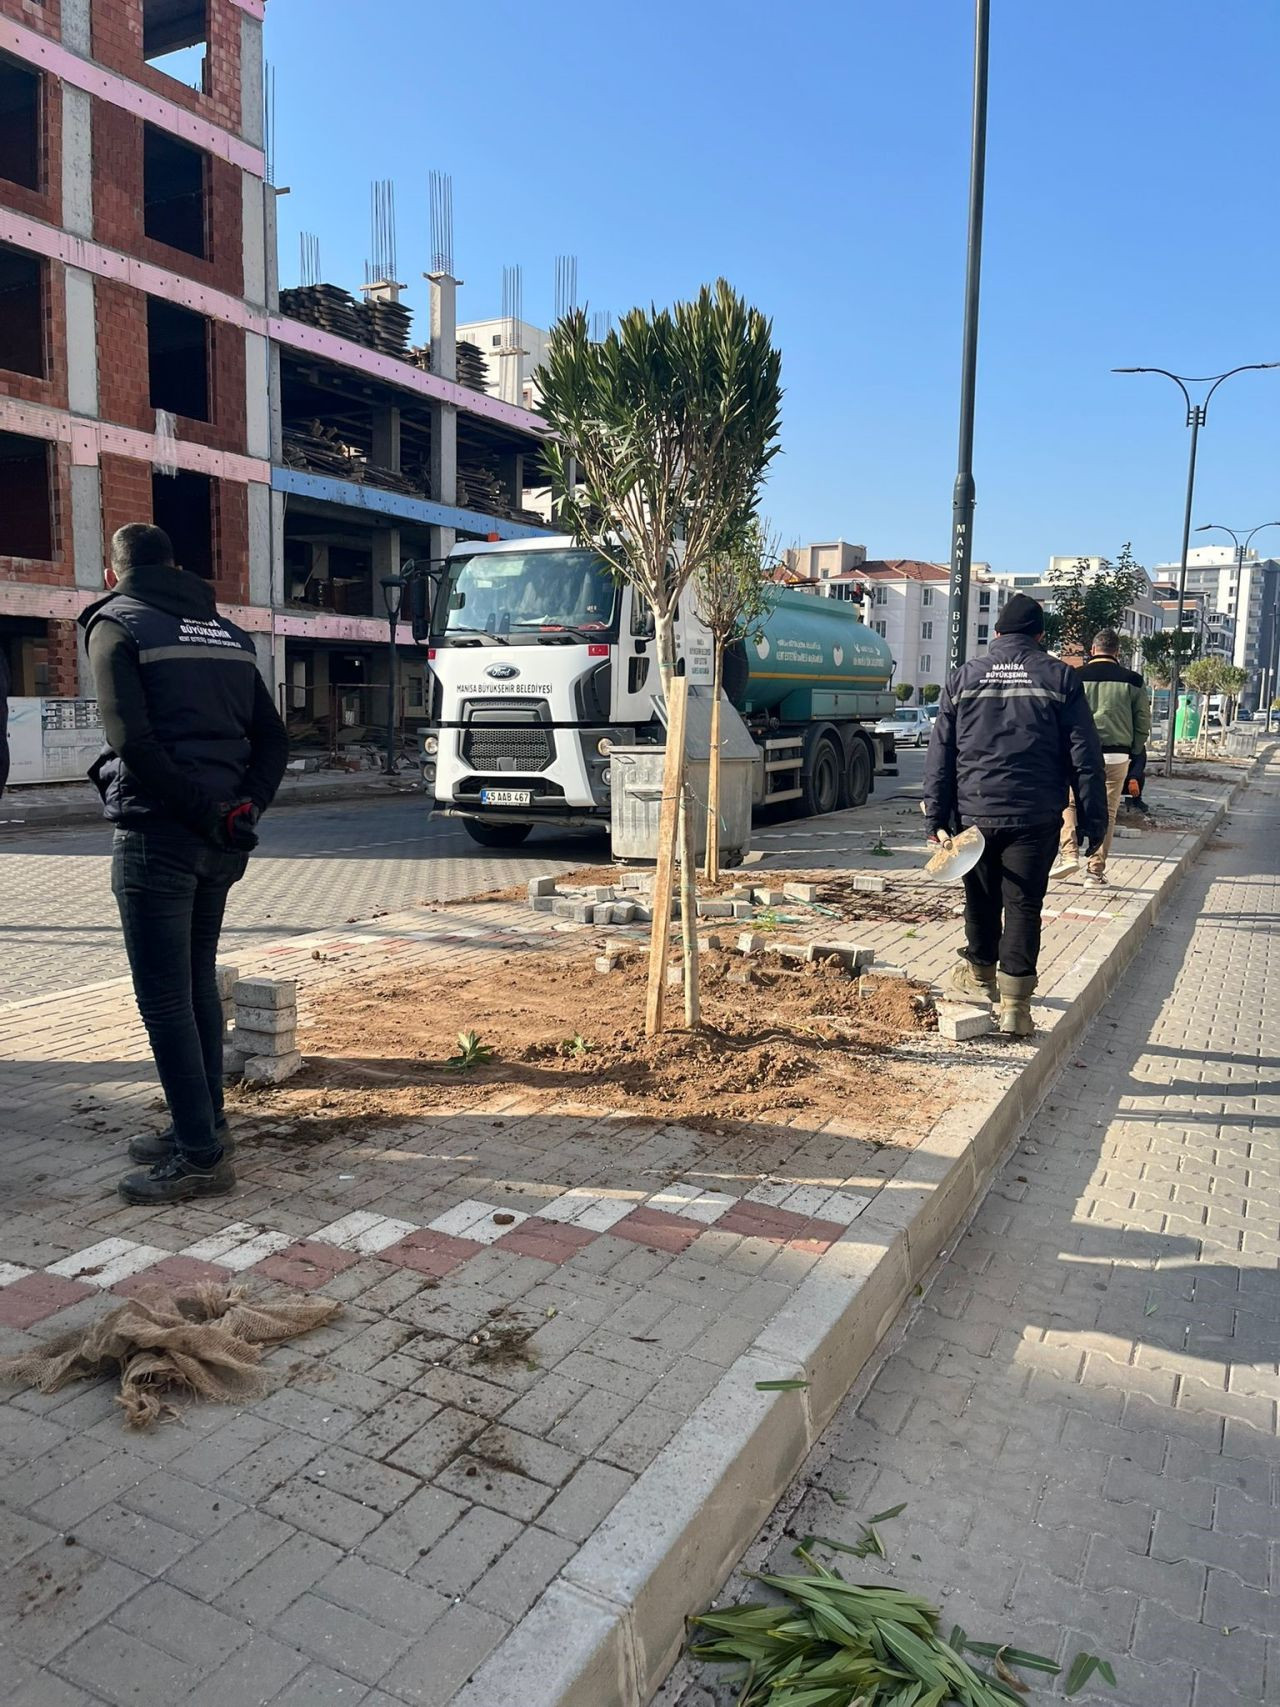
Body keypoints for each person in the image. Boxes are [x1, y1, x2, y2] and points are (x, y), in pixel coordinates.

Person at [80, 524, 289, 1204]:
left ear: (114, 573)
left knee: (164, 998)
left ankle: (199, 1155)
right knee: (196, 982)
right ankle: (204, 1125)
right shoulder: (227, 634)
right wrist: (243, 810)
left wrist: (206, 813)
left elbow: (132, 742)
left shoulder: (116, 625)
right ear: (176, 564)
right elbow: (273, 740)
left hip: (158, 836)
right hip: (222, 840)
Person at [922, 593, 1107, 1036]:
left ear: (998, 633)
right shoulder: (1061, 677)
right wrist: (1092, 821)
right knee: (1024, 904)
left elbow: (940, 753)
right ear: (1040, 636)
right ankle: (1016, 1009)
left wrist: (936, 817)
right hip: (1035, 814)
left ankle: (981, 975)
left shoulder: (964, 677)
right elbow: (1085, 757)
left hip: (975, 813)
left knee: (980, 898)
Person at [1056, 628, 1151, 887]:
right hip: (1117, 755)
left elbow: (1062, 716)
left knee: (1070, 803)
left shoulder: (1075, 676)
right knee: (1108, 811)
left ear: (1093, 650)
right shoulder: (1133, 680)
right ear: (1117, 652)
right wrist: (1135, 749)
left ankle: (1068, 854)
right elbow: (1143, 721)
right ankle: (1095, 872)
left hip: (1079, 754)